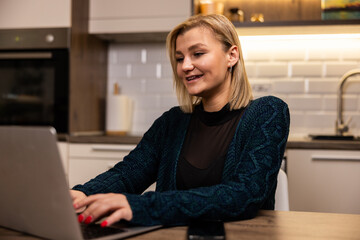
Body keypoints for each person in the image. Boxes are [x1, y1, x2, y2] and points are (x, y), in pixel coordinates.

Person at [71, 14, 290, 227]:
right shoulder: (172, 121)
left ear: (231, 56)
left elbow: (244, 196)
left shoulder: (268, 112)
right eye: (179, 58)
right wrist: (82, 194)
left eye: (197, 53)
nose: (185, 66)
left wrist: (143, 206)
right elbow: (127, 174)